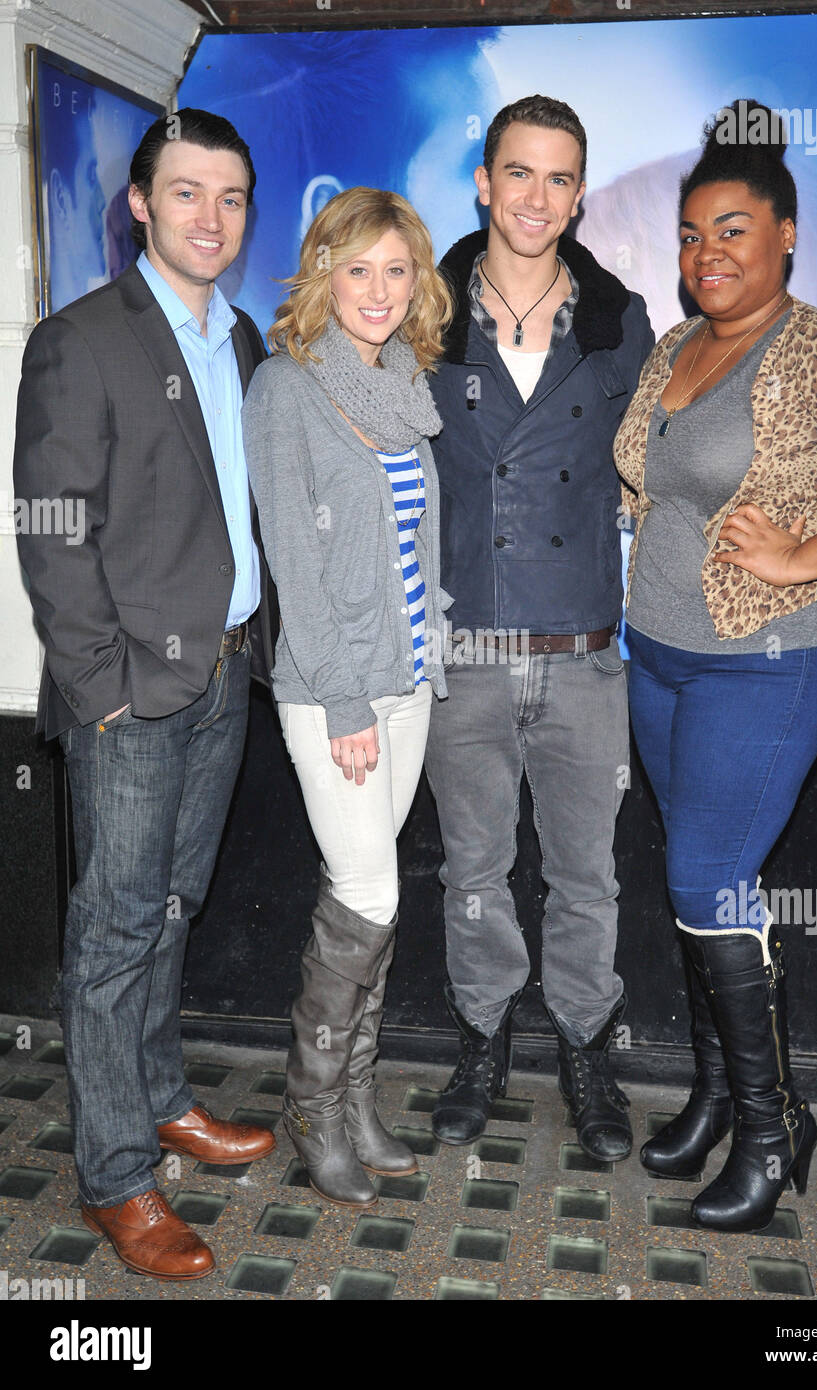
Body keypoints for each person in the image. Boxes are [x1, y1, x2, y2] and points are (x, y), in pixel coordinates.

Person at [614, 99, 817, 1232]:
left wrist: (806, 551)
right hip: (656, 653)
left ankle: (772, 1130)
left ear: (786, 235)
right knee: (692, 879)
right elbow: (643, 474)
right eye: (692, 234)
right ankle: (715, 1097)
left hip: (765, 662)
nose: (707, 253)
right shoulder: (673, 344)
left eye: (733, 231)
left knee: (709, 875)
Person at [13, 109, 278, 1281]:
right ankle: (118, 1175)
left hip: (225, 671)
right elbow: (51, 525)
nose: (209, 217)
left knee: (174, 904)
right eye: (185, 195)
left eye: (229, 198)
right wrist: (101, 689)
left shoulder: (246, 341)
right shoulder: (82, 339)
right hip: (133, 689)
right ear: (139, 205)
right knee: (115, 929)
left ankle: (164, 1096)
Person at [424, 95, 655, 1161]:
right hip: (463, 651)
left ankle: (582, 1045)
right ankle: (481, 1039)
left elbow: (656, 472)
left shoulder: (618, 322)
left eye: (559, 179)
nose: (537, 198)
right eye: (518, 173)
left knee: (585, 875)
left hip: (580, 652)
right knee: (470, 873)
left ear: (577, 192)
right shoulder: (418, 314)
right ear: (482, 181)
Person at [242, 188, 453, 1209]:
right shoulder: (286, 389)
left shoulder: (406, 386)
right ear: (321, 273)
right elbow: (292, 557)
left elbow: (413, 542)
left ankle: (357, 1099)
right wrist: (344, 701)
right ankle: (313, 1107)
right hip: (339, 689)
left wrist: (431, 639)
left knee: (377, 888)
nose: (376, 289)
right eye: (354, 266)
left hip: (410, 673)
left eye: (394, 268)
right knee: (365, 892)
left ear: (417, 282)